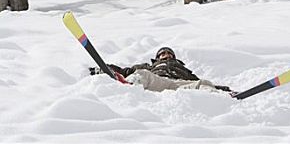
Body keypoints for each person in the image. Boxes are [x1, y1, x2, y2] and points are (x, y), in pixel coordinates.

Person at [90, 47, 232, 93]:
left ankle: (216, 97)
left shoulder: (183, 69)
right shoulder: (149, 67)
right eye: (163, 54)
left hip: (178, 85)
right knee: (143, 74)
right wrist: (105, 68)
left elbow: (196, 82)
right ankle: (130, 89)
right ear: (158, 58)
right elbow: (124, 71)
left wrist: (222, 89)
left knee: (204, 82)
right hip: (159, 82)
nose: (167, 55)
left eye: (169, 53)